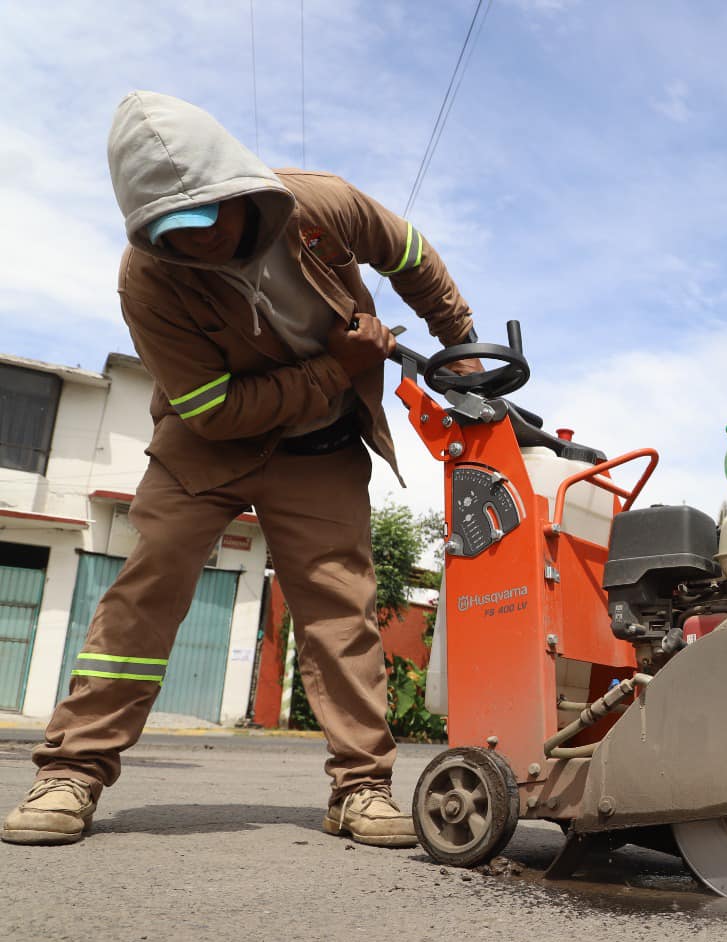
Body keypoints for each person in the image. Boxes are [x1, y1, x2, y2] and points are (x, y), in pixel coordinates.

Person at [2, 91, 480, 848]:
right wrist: (337, 366)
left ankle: (361, 789)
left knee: (340, 613)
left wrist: (465, 345)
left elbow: (411, 256)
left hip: (318, 453)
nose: (187, 243)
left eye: (198, 221)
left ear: (237, 191)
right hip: (207, 450)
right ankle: (72, 771)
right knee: (145, 592)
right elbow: (216, 412)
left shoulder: (322, 206)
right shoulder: (149, 279)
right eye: (164, 231)